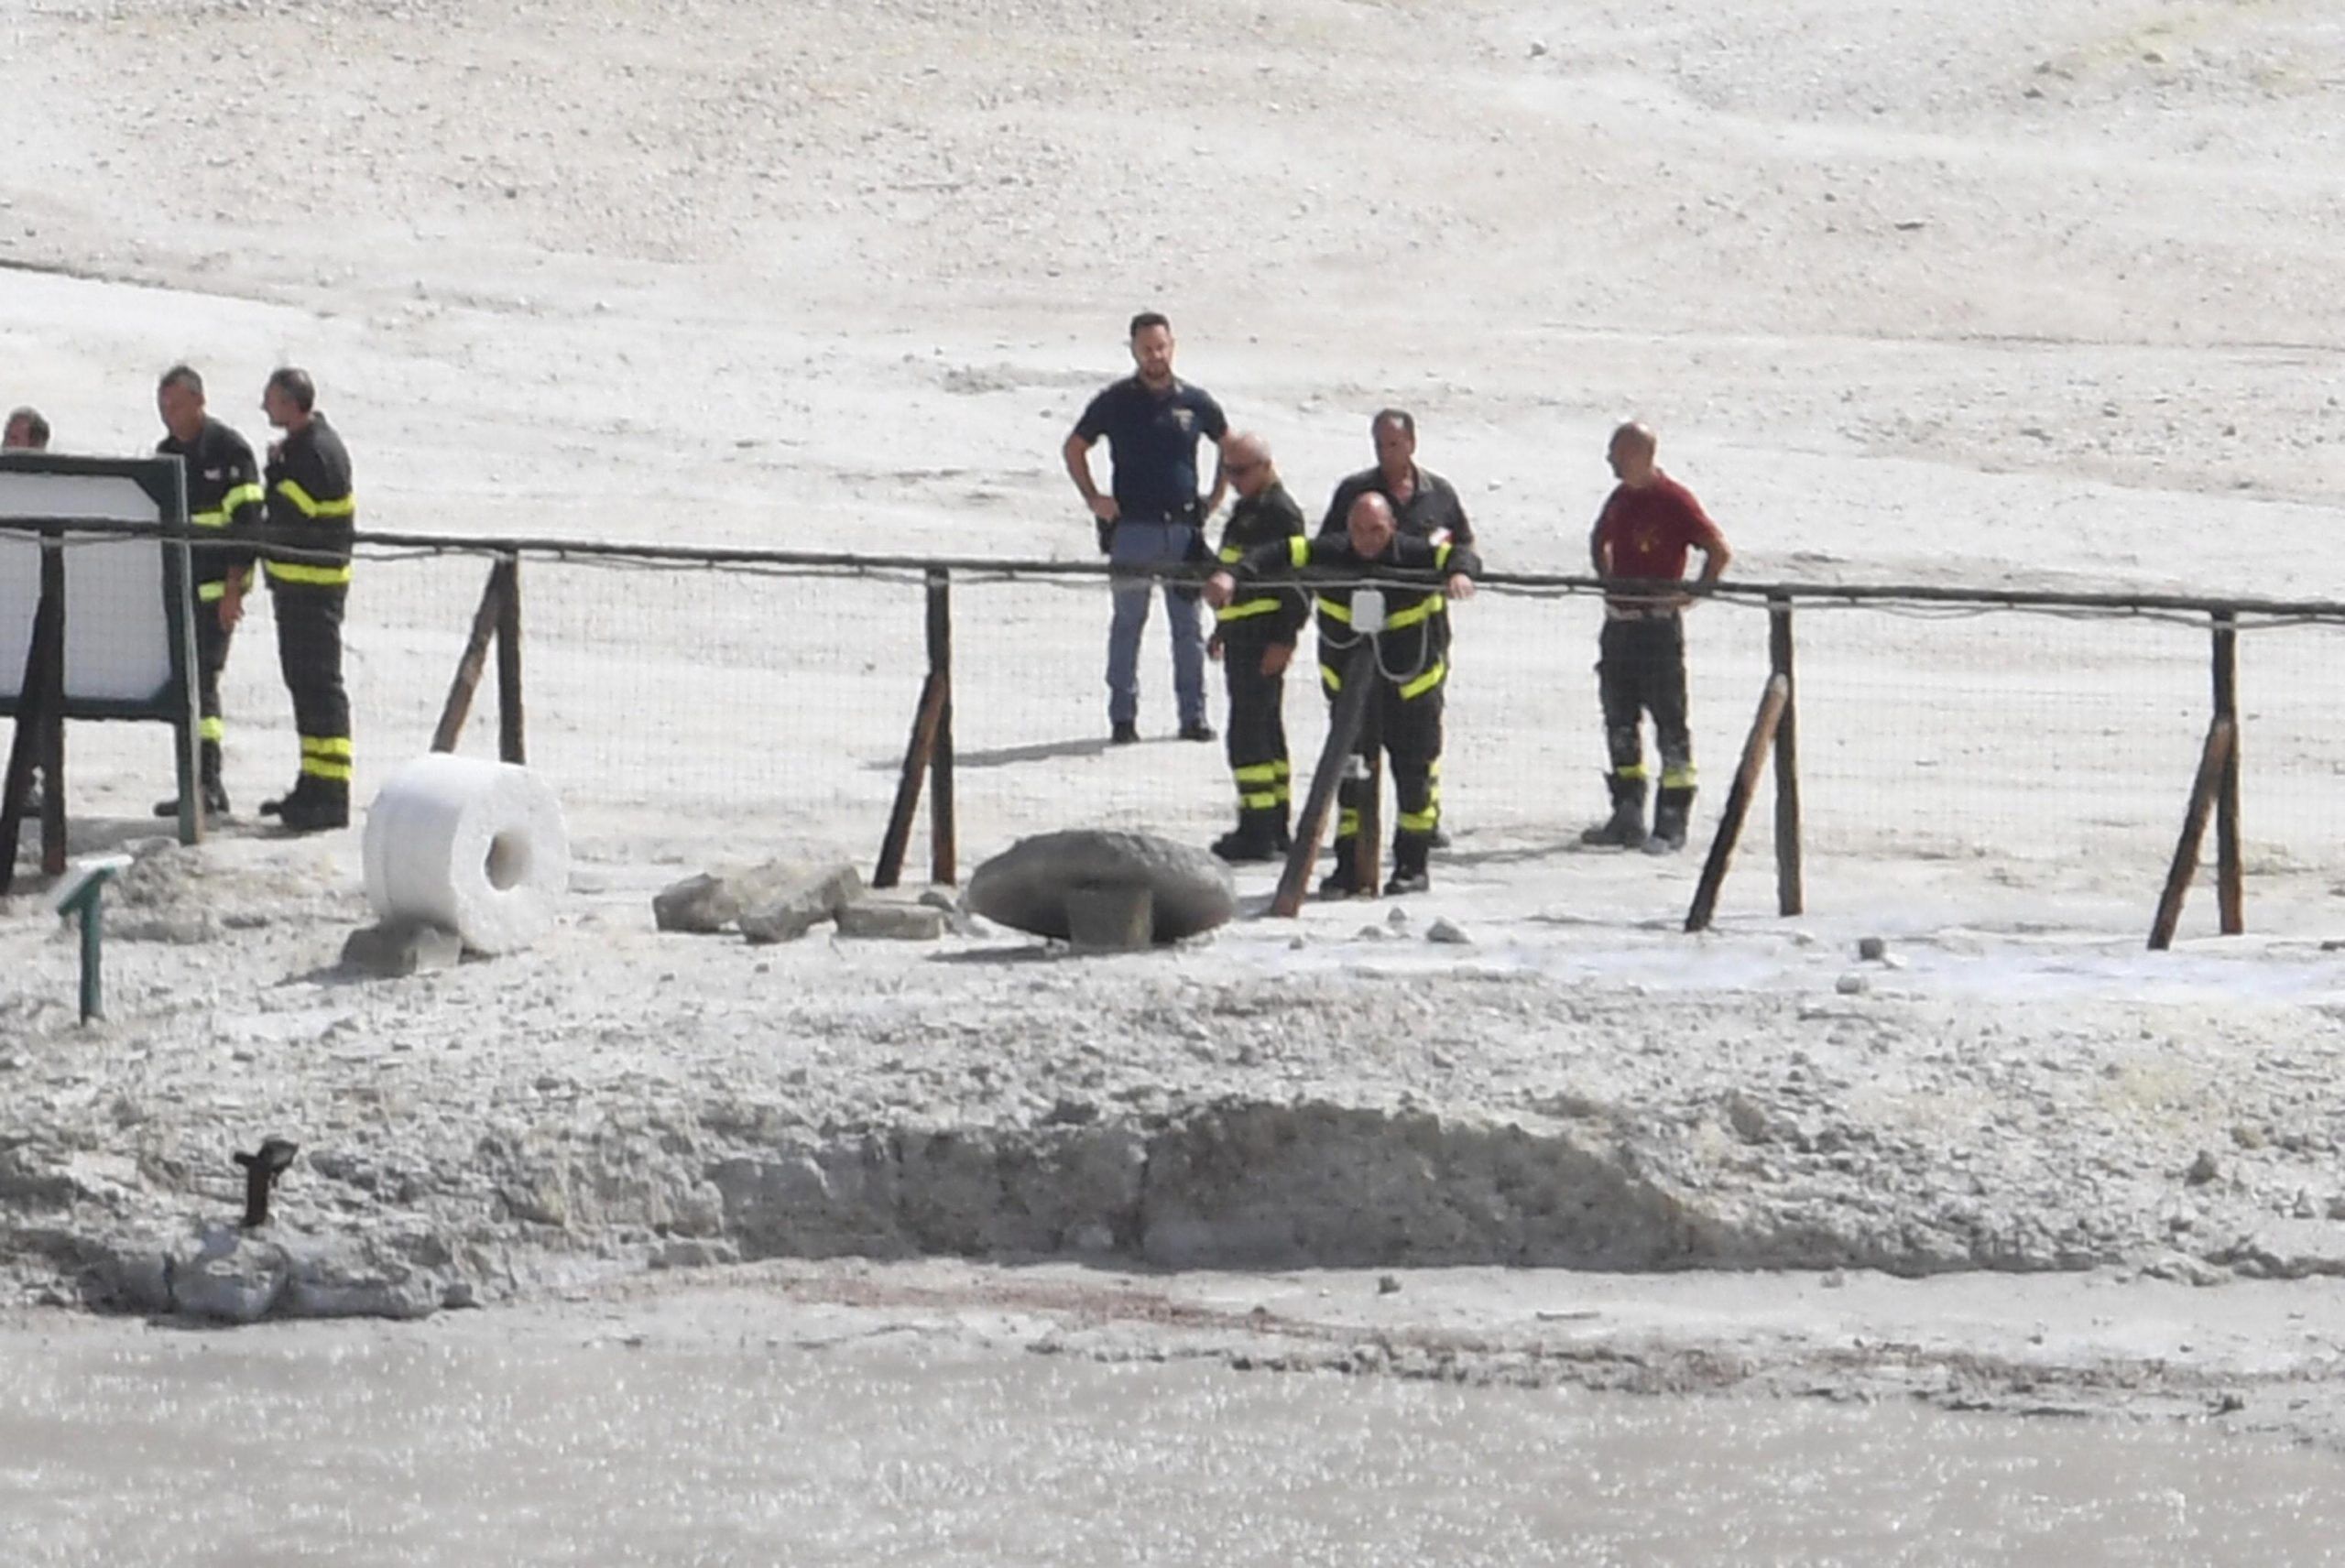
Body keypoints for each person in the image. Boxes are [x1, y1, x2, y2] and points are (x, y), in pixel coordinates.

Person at [1208, 492, 1479, 897]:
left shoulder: (1413, 553)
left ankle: (1411, 865)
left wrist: (1459, 575)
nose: (1365, 539)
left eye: (1375, 530)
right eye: (1357, 530)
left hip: (1411, 690)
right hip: (1350, 694)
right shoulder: (1331, 550)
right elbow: (1277, 552)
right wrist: (1233, 574)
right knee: (1352, 778)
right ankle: (1350, 867)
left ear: (1391, 527)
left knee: (1414, 781)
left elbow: (1460, 555)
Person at [1063, 311, 1228, 745]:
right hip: (1132, 529)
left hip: (1184, 533)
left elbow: (1229, 445)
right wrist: (1093, 498)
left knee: (1187, 628)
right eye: (1146, 348)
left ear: (1172, 345)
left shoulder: (1195, 402)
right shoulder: (1115, 401)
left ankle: (1193, 716)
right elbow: (1075, 447)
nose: (1155, 356)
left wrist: (1216, 497)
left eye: (1161, 347)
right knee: (1127, 625)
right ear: (1134, 350)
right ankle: (1123, 717)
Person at [1320, 408, 1473, 846]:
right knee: (1354, 750)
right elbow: (1329, 550)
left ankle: (1422, 831)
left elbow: (1463, 544)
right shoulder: (1355, 493)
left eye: (1394, 444)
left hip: (1420, 643)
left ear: (1412, 444)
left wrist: (1458, 571)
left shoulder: (1438, 494)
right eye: (1380, 444)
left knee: (1421, 744)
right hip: (1357, 645)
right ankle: (1354, 846)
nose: (1387, 452)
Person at [1581, 421, 1732, 855]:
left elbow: (1719, 550)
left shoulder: (1674, 499)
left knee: (1670, 723)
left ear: (1641, 453)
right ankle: (1626, 813)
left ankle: (1672, 819)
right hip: (1619, 626)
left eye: (1618, 452)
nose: (1611, 460)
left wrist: (1694, 594)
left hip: (1658, 628)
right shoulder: (1619, 498)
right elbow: (1599, 540)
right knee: (1619, 721)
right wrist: (1607, 582)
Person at [152, 365, 264, 819]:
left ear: (199, 401)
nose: (168, 416)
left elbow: (248, 525)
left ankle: (207, 783)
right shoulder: (165, 454)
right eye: (163, 407)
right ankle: (194, 781)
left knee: (203, 684)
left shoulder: (230, 449)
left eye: (175, 406)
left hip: (219, 590)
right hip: (180, 590)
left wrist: (234, 590)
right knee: (188, 687)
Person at [257, 367, 356, 833]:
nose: (265, 409)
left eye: (271, 401)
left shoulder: (313, 452)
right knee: (306, 689)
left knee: (320, 690)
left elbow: (287, 514)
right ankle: (312, 783)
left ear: (292, 403)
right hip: (299, 592)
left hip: (312, 594)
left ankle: (331, 793)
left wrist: (274, 470)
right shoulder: (306, 447)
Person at [1205, 431, 1308, 863]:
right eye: (1227, 471)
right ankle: (1272, 824)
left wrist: (1284, 639)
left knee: (1249, 736)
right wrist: (1223, 630)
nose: (1234, 479)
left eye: (1241, 471)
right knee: (1263, 730)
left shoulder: (1280, 513)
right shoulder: (1247, 509)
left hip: (1264, 637)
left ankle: (1259, 829)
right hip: (1244, 635)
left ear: (1266, 468)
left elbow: (1297, 584)